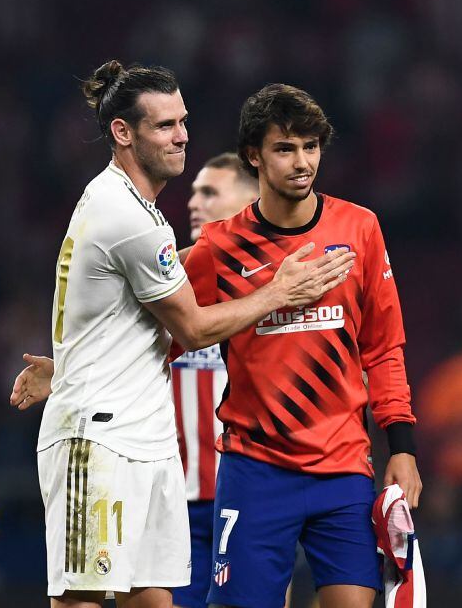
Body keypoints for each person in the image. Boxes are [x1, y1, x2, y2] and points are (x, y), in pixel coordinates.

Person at [24, 61, 354, 608]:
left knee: (154, 599)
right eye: (164, 126)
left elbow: (130, 310)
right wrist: (278, 292)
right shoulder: (122, 212)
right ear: (122, 133)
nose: (181, 136)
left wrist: (62, 367)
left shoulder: (139, 212)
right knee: (82, 598)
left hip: (147, 438)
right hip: (97, 438)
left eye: (183, 121)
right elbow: (194, 328)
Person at [185, 83, 422, 608]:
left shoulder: (359, 228)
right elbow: (161, 332)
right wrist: (67, 370)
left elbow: (384, 347)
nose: (302, 162)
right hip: (255, 468)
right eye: (285, 148)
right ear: (254, 155)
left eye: (310, 147)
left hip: (343, 467)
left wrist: (402, 449)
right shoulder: (218, 248)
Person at [171, 153, 259, 608]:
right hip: (171, 496)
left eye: (208, 193)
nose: (193, 202)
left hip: (246, 486)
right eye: (191, 192)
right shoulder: (166, 281)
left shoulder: (271, 287)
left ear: (251, 202)